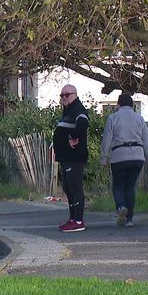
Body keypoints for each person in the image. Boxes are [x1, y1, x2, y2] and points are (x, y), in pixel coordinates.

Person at [100, 93, 148, 227]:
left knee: (118, 185)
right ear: (132, 105)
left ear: (118, 105)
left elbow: (106, 139)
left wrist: (103, 158)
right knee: (130, 187)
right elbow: (147, 140)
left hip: (119, 156)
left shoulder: (113, 118)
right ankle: (129, 219)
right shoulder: (139, 119)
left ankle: (121, 207)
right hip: (137, 157)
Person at [53, 85, 89, 232]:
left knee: (75, 188)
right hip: (66, 158)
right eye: (62, 95)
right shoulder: (68, 111)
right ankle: (73, 218)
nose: (64, 98)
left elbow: (83, 123)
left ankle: (79, 220)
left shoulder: (78, 109)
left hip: (74, 158)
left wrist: (73, 137)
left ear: (74, 95)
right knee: (68, 188)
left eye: (67, 95)